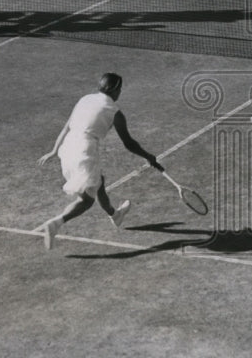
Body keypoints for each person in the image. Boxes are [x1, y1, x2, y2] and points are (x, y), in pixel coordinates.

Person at [37, 73, 165, 250]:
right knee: (87, 200)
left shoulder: (85, 99)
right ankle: (56, 223)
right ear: (114, 90)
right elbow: (128, 143)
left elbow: (67, 126)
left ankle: (115, 215)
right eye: (120, 89)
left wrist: (53, 150)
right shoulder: (115, 112)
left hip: (67, 148)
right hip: (84, 150)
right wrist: (148, 156)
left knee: (99, 182)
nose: (120, 92)